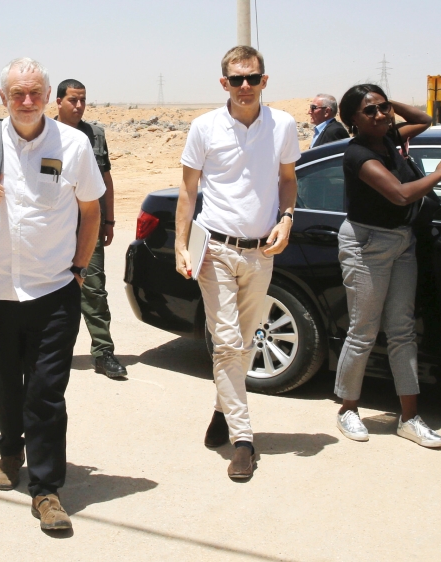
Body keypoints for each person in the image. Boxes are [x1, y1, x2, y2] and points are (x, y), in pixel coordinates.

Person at [0, 58, 105, 531]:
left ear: (48, 95)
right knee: (4, 380)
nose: (27, 102)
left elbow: (90, 211)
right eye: (18, 94)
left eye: (35, 93)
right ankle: (11, 448)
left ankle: (47, 489)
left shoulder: (72, 145)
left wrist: (77, 268)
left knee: (47, 391)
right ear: (4, 98)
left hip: (53, 290)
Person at [174, 46, 300, 481]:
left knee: (244, 341)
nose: (244, 86)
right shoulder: (204, 127)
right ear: (223, 82)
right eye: (236, 79)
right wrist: (180, 244)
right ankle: (243, 440)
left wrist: (286, 219)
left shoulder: (283, 124)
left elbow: (288, 180)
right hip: (216, 249)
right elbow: (188, 191)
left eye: (253, 78)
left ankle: (221, 409)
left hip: (261, 251)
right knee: (228, 342)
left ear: (265, 80)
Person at [333, 84, 441, 448]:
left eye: (383, 108)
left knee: (403, 330)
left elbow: (423, 118)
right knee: (364, 331)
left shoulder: (388, 136)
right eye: (369, 111)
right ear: (352, 121)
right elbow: (400, 193)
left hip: (401, 240)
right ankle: (348, 409)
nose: (381, 116)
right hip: (366, 244)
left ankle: (409, 418)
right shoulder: (358, 154)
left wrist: (386, 101)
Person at [54, 78, 127, 379]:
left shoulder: (95, 135)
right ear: (58, 101)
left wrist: (108, 220)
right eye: (73, 100)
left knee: (93, 289)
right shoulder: (46, 136)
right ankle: (55, 352)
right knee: (52, 291)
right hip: (55, 227)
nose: (79, 106)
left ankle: (103, 352)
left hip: (89, 225)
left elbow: (105, 179)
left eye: (83, 100)